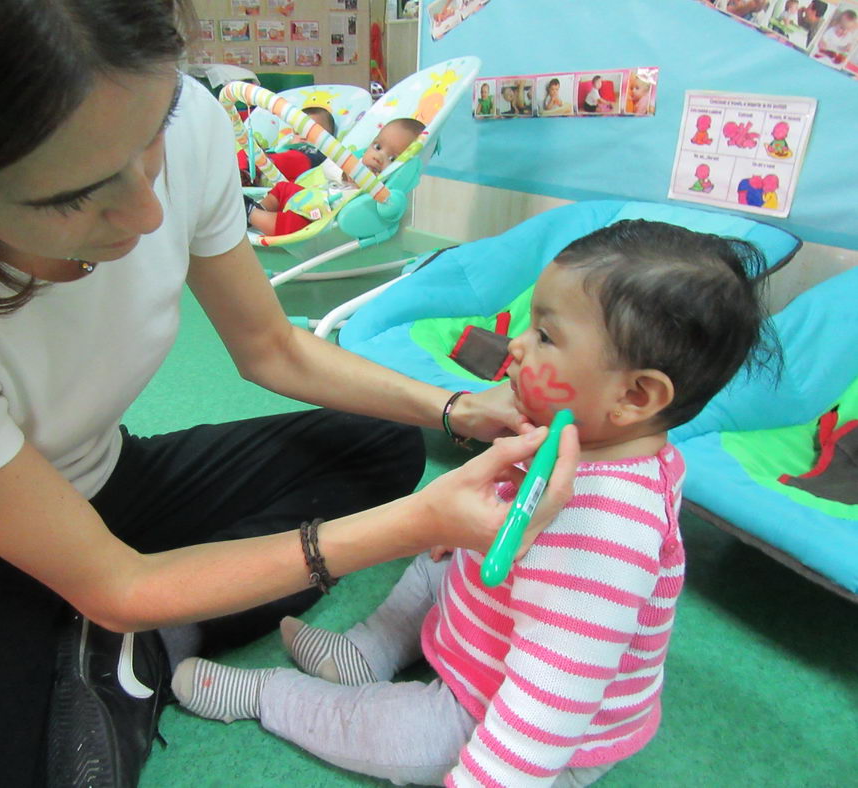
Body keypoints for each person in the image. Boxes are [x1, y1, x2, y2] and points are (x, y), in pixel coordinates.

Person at [0, 2, 577, 786]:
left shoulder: (190, 124)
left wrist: (450, 409)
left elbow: (272, 348)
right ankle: (110, 631)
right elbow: (115, 583)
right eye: (71, 196)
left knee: (377, 445)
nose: (147, 213)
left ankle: (139, 643)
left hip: (101, 479)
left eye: (151, 141)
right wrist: (416, 524)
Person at [173, 219, 781, 787]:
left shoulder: (606, 534)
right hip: (493, 614)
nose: (515, 344)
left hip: (514, 715)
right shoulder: (583, 434)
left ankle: (269, 698)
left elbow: (552, 700)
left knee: (399, 731)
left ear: (635, 395)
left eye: (545, 336)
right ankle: (370, 647)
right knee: (434, 556)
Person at [244, 117, 425, 237]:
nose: (378, 157)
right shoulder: (354, 161)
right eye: (377, 147)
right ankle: (262, 207)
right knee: (284, 188)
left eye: (392, 158)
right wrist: (345, 173)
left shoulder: (383, 187)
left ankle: (251, 214)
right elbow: (327, 168)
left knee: (295, 225)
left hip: (320, 217)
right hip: (311, 198)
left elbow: (371, 206)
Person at [237, 105, 337, 185]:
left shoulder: (321, 152)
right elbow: (274, 151)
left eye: (313, 131)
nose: (305, 135)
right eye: (299, 131)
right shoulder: (285, 144)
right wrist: (259, 150)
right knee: (245, 150)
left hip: (304, 160)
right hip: (271, 162)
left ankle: (255, 170)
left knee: (293, 159)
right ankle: (243, 174)